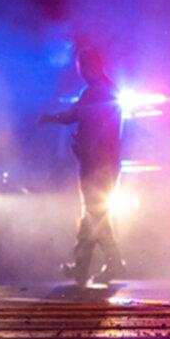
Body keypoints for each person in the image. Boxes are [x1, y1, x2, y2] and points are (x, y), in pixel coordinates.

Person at [40, 48, 126, 286]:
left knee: (93, 213)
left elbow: (75, 117)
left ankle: (101, 262)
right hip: (103, 163)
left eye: (83, 67)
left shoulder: (96, 93)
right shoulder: (104, 91)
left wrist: (50, 119)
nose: (81, 72)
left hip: (97, 164)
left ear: (92, 66)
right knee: (94, 214)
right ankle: (90, 265)